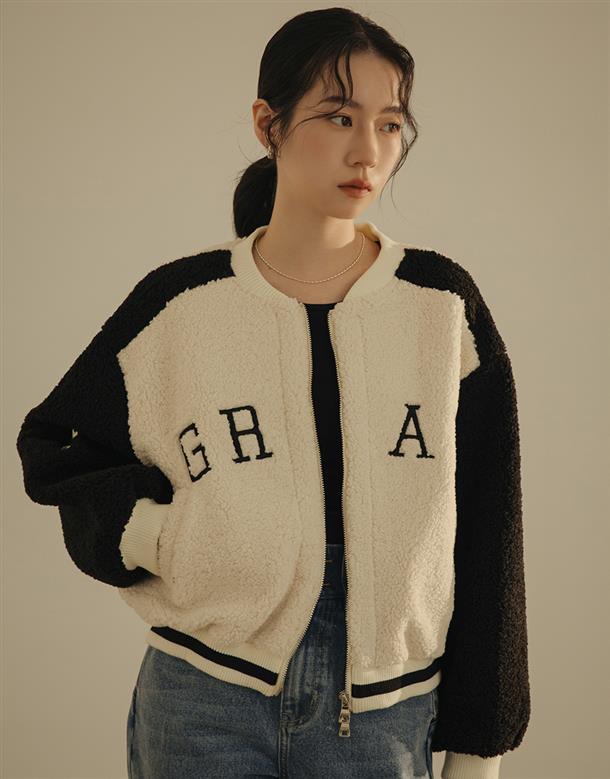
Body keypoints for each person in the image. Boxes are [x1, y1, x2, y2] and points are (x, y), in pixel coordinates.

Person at [15, 7, 531, 778]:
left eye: (390, 124)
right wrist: (161, 538)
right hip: (202, 697)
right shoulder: (181, 305)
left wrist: (481, 747)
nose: (368, 150)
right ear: (269, 123)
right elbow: (55, 443)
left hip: (384, 711)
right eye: (339, 116)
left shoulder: (441, 306)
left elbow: (491, 525)